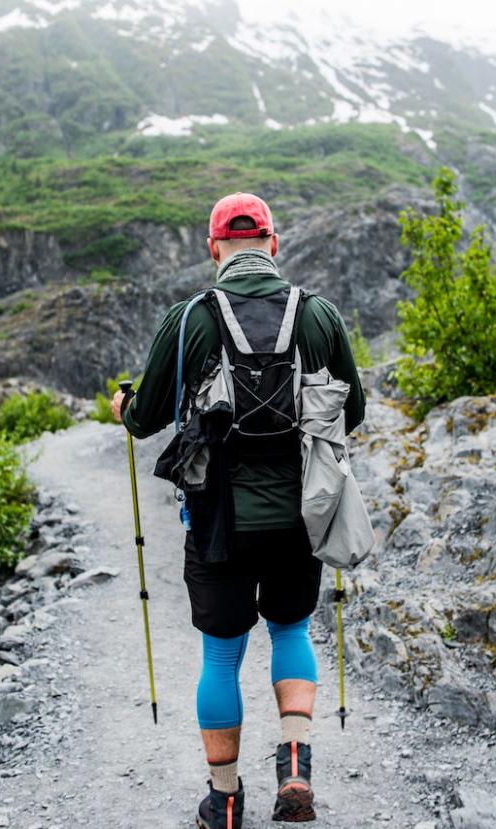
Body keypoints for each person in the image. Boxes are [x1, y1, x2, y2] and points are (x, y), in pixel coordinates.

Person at [112, 192, 365, 827]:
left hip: (218, 521)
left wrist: (124, 408)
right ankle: (298, 765)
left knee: (221, 655)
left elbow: (145, 421)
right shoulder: (319, 315)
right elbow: (353, 412)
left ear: (214, 248)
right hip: (302, 516)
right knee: (290, 630)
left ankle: (225, 800)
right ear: (273, 245)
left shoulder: (190, 317)